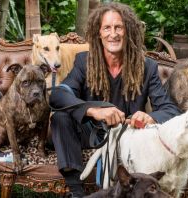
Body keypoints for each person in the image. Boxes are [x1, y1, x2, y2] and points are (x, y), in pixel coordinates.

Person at [49, 2, 181, 197]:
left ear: (128, 31)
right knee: (60, 118)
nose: (113, 34)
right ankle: (76, 193)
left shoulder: (146, 66)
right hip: (90, 133)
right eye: (107, 28)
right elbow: (58, 94)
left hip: (125, 138)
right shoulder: (84, 61)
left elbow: (170, 109)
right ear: (99, 33)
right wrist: (94, 111)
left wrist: (149, 117)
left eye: (119, 27)